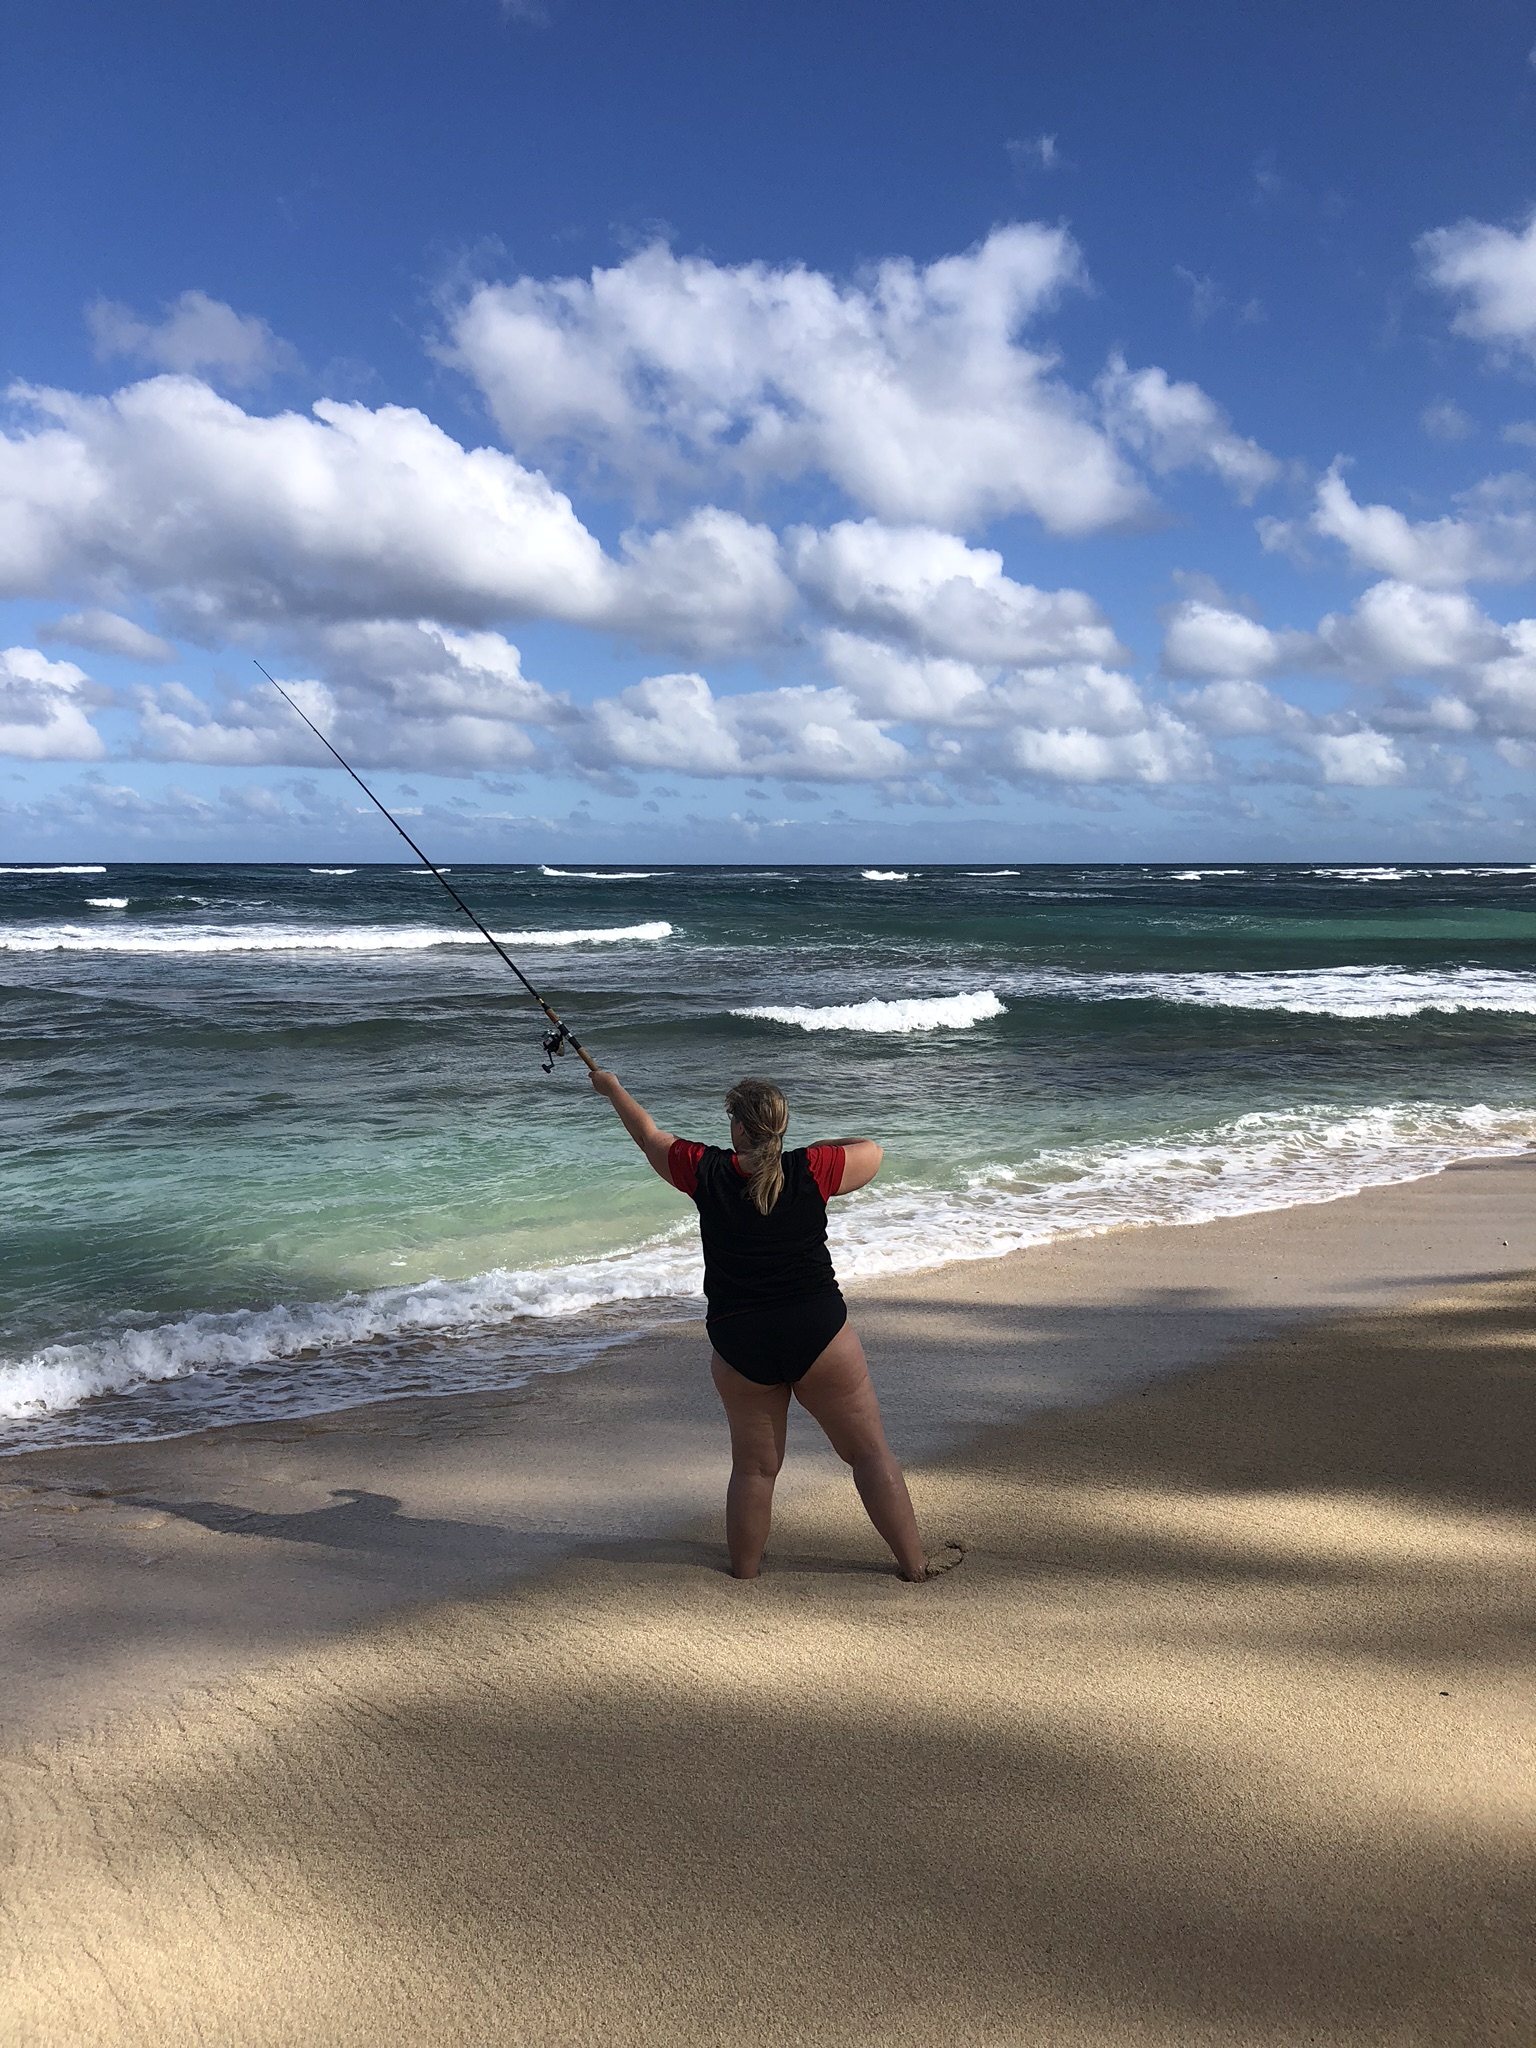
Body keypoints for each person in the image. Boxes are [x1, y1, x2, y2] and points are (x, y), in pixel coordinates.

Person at [590, 1067, 939, 1581]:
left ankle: (746, 1572)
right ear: (780, 1125)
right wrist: (813, 1145)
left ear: (736, 1126)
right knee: (867, 1453)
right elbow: (872, 1149)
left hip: (739, 1339)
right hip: (818, 1332)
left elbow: (649, 1136)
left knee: (754, 1469)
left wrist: (613, 1088)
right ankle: (914, 1566)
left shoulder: (705, 1169)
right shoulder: (813, 1167)